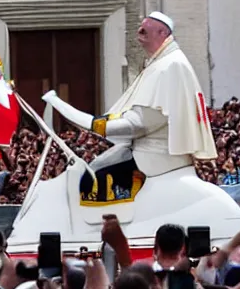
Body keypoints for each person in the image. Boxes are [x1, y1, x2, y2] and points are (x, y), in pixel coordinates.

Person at [43, 12, 217, 205]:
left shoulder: (170, 66)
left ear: (162, 32)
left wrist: (96, 124)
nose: (139, 33)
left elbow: (140, 123)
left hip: (156, 154)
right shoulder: (162, 63)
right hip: (142, 147)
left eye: (145, 29)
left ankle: (110, 227)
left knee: (92, 179)